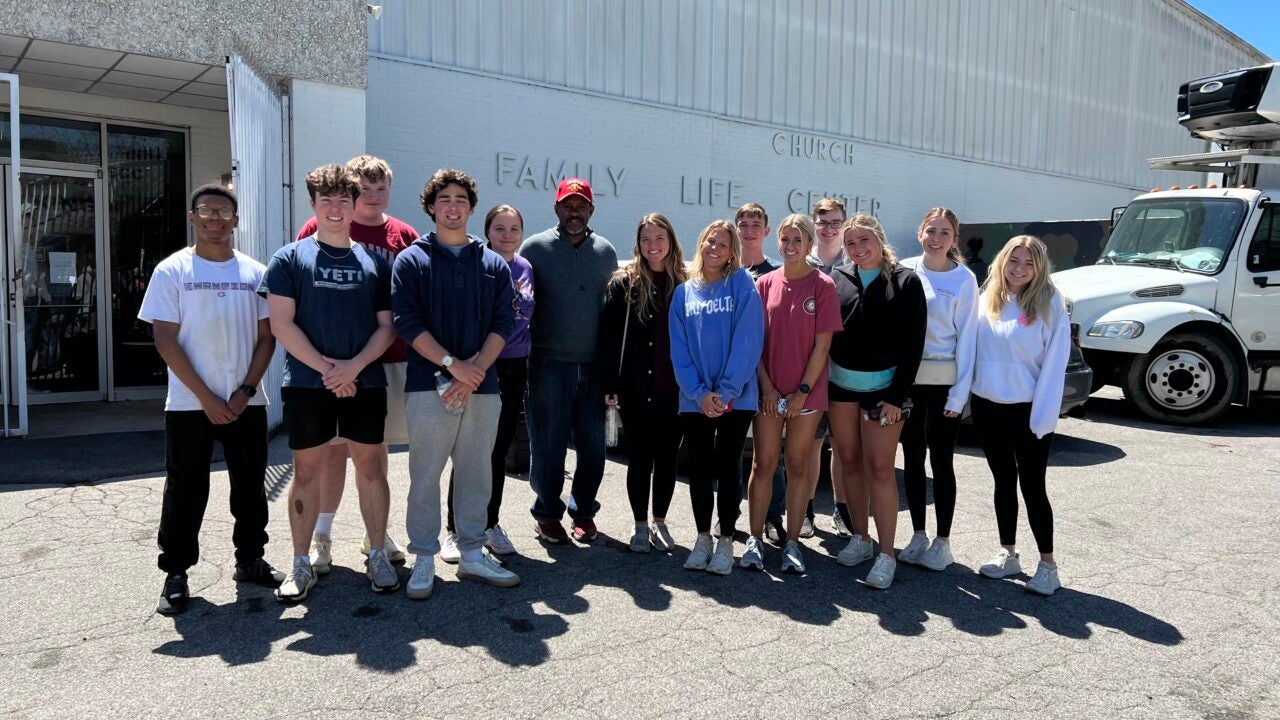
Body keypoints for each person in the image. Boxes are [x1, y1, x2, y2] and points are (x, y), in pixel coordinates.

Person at [140, 184, 282, 615]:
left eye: (224, 212)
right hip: (189, 404)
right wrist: (207, 397)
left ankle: (250, 559)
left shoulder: (256, 274)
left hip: (246, 403)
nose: (215, 218)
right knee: (186, 488)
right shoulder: (172, 271)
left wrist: (243, 391)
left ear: (236, 221)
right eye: (207, 210)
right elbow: (165, 340)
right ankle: (177, 572)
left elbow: (267, 338)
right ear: (193, 216)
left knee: (250, 485)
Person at [260, 164, 398, 602]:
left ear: (355, 204)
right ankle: (302, 561)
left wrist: (352, 368)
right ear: (313, 205)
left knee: (372, 468)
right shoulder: (289, 258)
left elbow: (387, 327)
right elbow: (282, 325)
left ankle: (377, 552)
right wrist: (328, 370)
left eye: (344, 200)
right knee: (307, 472)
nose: (336, 209)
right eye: (327, 200)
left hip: (365, 383)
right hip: (306, 384)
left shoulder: (375, 262)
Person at [394, 169, 520, 600]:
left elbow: (504, 320)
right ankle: (424, 557)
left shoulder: (491, 264)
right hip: (428, 384)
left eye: (461, 199)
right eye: (444, 198)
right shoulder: (411, 260)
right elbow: (406, 322)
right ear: (431, 206)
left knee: (476, 470)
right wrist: (452, 366)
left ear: (471, 207)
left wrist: (474, 371)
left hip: (482, 386)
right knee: (425, 473)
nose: (453, 205)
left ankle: (470, 552)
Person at [294, 155, 418, 574]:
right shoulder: (317, 231)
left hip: (386, 361)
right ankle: (322, 534)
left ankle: (376, 534)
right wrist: (332, 367)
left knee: (373, 449)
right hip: (327, 365)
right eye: (364, 189)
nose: (372, 196)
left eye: (380, 187)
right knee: (331, 451)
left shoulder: (402, 234)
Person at [827, 213, 926, 590]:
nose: (858, 248)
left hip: (885, 395)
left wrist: (896, 397)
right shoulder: (837, 279)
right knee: (849, 463)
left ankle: (887, 554)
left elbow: (913, 344)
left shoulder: (905, 281)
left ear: (880, 239)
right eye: (851, 243)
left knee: (880, 470)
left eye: (864, 240)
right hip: (841, 390)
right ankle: (861, 539)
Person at [741, 215, 842, 574]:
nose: (790, 246)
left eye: (798, 240)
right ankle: (754, 539)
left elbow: (822, 346)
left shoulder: (823, 286)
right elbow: (754, 343)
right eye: (785, 239)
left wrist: (801, 392)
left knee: (798, 467)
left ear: (810, 244)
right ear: (777, 242)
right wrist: (767, 387)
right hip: (767, 392)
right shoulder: (763, 283)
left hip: (807, 396)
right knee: (764, 463)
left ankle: (793, 543)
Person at [971, 235, 1071, 596]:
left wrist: (1044, 417)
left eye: (1029, 263)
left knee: (1032, 485)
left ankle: (1048, 566)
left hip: (1028, 410)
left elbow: (1055, 363)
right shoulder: (987, 298)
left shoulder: (1050, 303)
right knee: (1002, 481)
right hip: (987, 405)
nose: (1020, 269)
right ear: (1002, 261)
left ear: (1040, 268)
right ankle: (1008, 553)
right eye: (1014, 261)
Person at [521, 178, 618, 544]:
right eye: (567, 205)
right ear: (556, 208)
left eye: (581, 205)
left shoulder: (605, 252)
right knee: (548, 444)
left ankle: (583, 511)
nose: (574, 212)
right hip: (548, 364)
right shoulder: (534, 249)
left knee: (593, 447)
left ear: (591, 209)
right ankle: (546, 513)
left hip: (594, 367)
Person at [670, 220, 764, 576]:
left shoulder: (741, 284)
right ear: (701, 242)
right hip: (694, 399)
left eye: (723, 244)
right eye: (711, 240)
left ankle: (726, 539)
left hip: (735, 398)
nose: (715, 248)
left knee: (727, 468)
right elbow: (679, 349)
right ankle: (702, 537)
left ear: (732, 252)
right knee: (699, 469)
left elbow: (749, 340)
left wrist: (724, 392)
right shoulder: (684, 292)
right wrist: (698, 393)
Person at [440, 204, 533, 560]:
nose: (507, 236)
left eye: (514, 229)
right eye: (500, 229)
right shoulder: (478, 265)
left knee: (499, 450)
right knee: (468, 451)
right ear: (487, 231)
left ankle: (489, 523)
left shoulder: (526, 268)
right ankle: (455, 529)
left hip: (515, 367)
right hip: (480, 367)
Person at [599, 213, 688, 553]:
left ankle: (660, 522)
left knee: (667, 459)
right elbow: (608, 339)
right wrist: (610, 384)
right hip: (634, 387)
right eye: (646, 239)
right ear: (638, 244)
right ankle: (639, 525)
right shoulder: (624, 284)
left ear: (671, 242)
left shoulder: (684, 284)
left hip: (675, 388)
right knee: (640, 458)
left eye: (659, 239)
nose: (653, 246)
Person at [898, 208, 979, 572]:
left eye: (944, 232)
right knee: (912, 459)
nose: (936, 238)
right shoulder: (905, 269)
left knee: (941, 462)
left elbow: (968, 341)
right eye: (931, 230)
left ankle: (942, 541)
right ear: (920, 233)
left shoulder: (965, 280)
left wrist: (959, 397)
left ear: (954, 239)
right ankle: (918, 534)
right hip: (909, 383)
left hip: (946, 385)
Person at [734, 202, 787, 543]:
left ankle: (772, 517)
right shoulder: (722, 269)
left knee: (771, 456)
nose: (750, 229)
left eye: (757, 224)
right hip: (733, 379)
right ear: (736, 228)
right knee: (731, 452)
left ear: (766, 231)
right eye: (744, 223)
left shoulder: (777, 273)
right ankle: (732, 514)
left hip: (768, 378)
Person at [809, 197, 853, 539]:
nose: (829, 229)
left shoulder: (853, 264)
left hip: (843, 370)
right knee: (809, 443)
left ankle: (841, 509)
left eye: (836, 222)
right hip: (807, 369)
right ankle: (805, 509)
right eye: (823, 222)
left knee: (841, 444)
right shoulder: (800, 262)